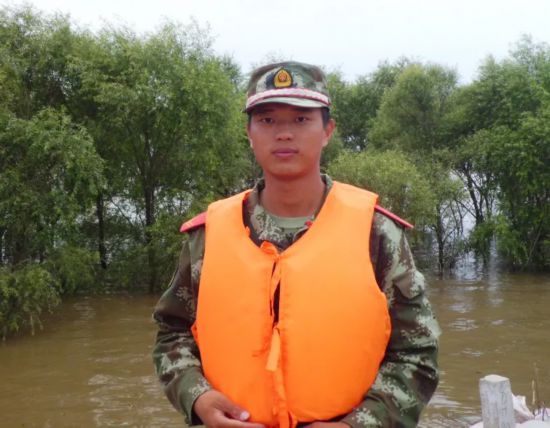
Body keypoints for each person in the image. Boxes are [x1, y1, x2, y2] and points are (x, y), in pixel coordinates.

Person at [152, 61, 440, 428]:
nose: (284, 134)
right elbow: (172, 334)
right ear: (249, 133)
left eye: (301, 119)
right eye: (268, 120)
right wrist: (198, 398)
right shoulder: (208, 235)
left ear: (327, 131)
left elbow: (417, 353)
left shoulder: (377, 232)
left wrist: (361, 423)